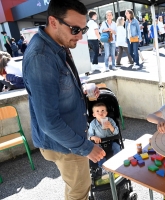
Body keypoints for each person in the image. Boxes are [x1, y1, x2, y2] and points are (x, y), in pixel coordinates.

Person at [22, 1, 105, 199]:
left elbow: (58, 88)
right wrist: (87, 148)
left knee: (75, 188)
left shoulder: (57, 43)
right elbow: (48, 122)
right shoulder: (41, 57)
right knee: (79, 191)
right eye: (75, 29)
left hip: (68, 137)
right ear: (53, 21)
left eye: (83, 28)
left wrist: (82, 89)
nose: (80, 35)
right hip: (65, 142)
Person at [88, 103, 120, 168]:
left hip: (110, 141)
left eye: (103, 111)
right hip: (99, 143)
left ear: (106, 113)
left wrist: (111, 127)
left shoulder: (110, 121)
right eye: (97, 111)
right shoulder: (93, 124)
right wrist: (93, 137)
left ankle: (117, 163)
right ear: (94, 114)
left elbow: (116, 132)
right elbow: (89, 135)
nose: (100, 113)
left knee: (117, 147)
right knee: (98, 153)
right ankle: (103, 167)